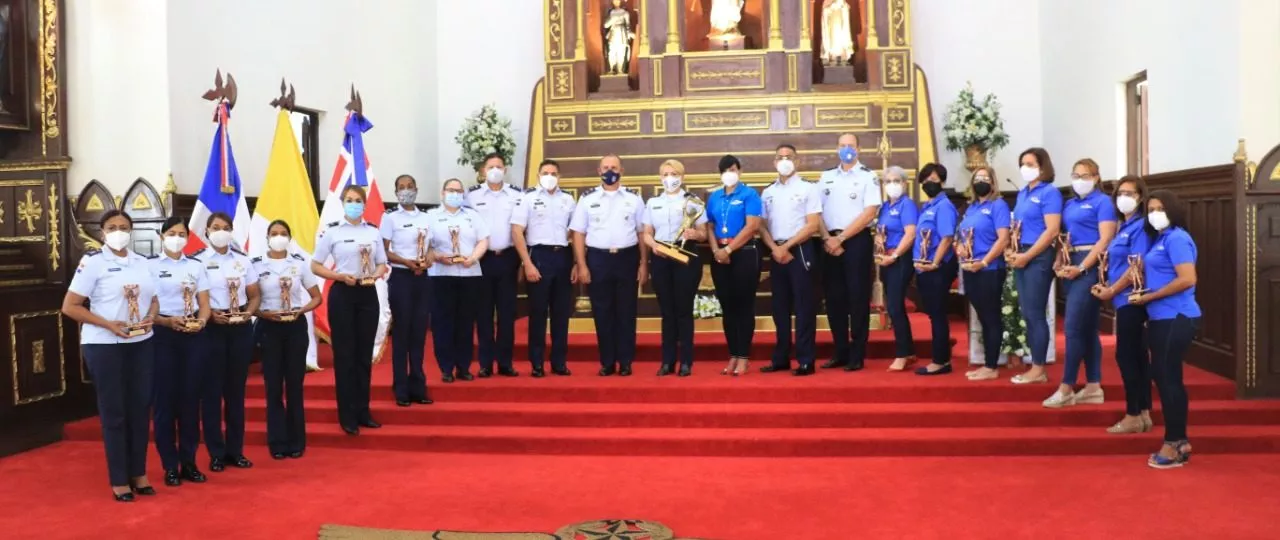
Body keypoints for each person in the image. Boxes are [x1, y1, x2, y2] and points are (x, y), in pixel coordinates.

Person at [62, 209, 159, 501]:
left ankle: (138, 473)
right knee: (115, 412)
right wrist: (107, 324)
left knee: (140, 409)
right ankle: (119, 479)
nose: (119, 231)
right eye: (113, 226)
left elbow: (153, 299)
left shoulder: (142, 262)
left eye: (124, 227)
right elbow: (71, 306)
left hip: (141, 342)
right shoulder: (92, 262)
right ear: (102, 232)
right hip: (105, 345)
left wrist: (151, 317)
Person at [1129, 190, 1200, 468]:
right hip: (1161, 318)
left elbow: (1187, 279)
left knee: (1167, 377)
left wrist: (1149, 297)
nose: (1154, 213)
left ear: (1172, 210)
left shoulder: (1178, 238)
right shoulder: (1161, 239)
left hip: (1176, 316)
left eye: (1160, 208)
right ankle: (1179, 440)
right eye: (1150, 208)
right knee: (1166, 377)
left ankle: (1174, 443)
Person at [311, 185, 388, 436]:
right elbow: (315, 265)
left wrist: (375, 276)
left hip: (367, 294)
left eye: (358, 200)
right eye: (350, 200)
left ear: (365, 204)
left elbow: (381, 264)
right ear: (343, 203)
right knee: (345, 356)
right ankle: (347, 415)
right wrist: (338, 276)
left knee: (363, 356)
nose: (354, 204)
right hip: (343, 294)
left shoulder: (373, 232)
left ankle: (363, 411)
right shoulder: (332, 233)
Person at [1043, 159, 1116, 407]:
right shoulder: (1070, 203)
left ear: (1096, 178)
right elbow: (1064, 236)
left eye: (1085, 175)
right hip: (1070, 262)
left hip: (1090, 266)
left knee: (1072, 328)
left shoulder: (1103, 202)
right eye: (1076, 175)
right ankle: (1094, 386)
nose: (1080, 180)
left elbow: (1105, 239)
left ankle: (1066, 387)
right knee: (1087, 329)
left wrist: (1083, 266)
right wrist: (1059, 258)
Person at [570, 154, 648, 377]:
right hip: (598, 259)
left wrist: (644, 263)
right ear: (599, 171)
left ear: (622, 170)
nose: (610, 170)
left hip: (627, 258)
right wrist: (582, 264)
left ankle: (625, 361)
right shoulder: (587, 199)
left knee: (626, 311)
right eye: (606, 167)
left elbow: (642, 233)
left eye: (614, 167)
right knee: (602, 312)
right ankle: (606, 361)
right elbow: (578, 234)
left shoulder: (634, 199)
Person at [252, 220, 323, 459]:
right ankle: (277, 441)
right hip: (269, 327)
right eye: (274, 233)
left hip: (294, 326)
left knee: (294, 385)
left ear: (290, 238)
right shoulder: (256, 266)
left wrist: (301, 311)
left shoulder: (300, 265)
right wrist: (262, 313)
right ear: (267, 237)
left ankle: (296, 440)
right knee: (273, 386)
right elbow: (250, 301)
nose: (279, 237)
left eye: (283, 234)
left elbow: (316, 297)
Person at [148, 217, 210, 487]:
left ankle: (189, 461)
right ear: (162, 236)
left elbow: (204, 303)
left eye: (181, 233)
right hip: (162, 334)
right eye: (171, 233)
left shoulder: (196, 266)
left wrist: (202, 321)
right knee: (165, 402)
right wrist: (164, 321)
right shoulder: (149, 266)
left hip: (192, 334)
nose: (177, 238)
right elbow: (145, 305)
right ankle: (169, 465)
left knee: (190, 400)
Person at [196, 212, 260, 470]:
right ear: (207, 231)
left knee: (236, 393)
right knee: (211, 394)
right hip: (212, 329)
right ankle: (216, 452)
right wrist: (211, 315)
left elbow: (255, 294)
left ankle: (236, 450)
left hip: (240, 329)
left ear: (232, 231)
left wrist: (247, 313)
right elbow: (194, 297)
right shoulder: (197, 262)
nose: (221, 232)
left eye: (225, 227)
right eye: (215, 227)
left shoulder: (243, 261)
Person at [1091, 175, 1153, 433]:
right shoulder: (1122, 226)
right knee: (1137, 356)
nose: (1124, 198)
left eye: (1130, 193)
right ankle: (1144, 412)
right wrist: (1106, 285)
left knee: (1127, 355)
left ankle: (1132, 414)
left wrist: (1113, 290)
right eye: (1120, 193)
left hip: (1132, 298)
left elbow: (1136, 265)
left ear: (1141, 197)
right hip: (1121, 297)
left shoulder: (1140, 226)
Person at [817, 133, 881, 372]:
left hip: (855, 241)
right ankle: (840, 351)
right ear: (837, 149)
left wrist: (842, 238)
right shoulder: (826, 177)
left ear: (859, 149)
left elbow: (870, 212)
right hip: (829, 241)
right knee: (834, 299)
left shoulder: (868, 176)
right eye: (843, 146)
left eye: (851, 146)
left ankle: (857, 353)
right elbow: (816, 211)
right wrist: (827, 238)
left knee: (857, 297)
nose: (846, 150)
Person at [642, 159, 709, 376]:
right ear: (660, 177)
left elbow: (704, 233)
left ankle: (687, 361)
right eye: (666, 174)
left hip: (686, 256)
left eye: (674, 174)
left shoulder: (693, 202)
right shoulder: (653, 203)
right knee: (667, 311)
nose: (670, 178)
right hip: (661, 256)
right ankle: (667, 361)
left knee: (683, 310)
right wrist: (653, 246)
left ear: (682, 176)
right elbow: (646, 233)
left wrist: (695, 234)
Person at [760, 143, 821, 376]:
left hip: (800, 249)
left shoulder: (808, 188)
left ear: (797, 161)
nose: (784, 160)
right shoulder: (768, 192)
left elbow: (813, 224)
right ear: (774, 162)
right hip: (776, 252)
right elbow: (762, 226)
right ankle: (781, 357)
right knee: (780, 307)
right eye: (780, 157)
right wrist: (775, 248)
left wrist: (786, 246)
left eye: (789, 157)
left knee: (804, 306)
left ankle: (805, 359)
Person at [512, 159, 576, 377]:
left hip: (563, 256)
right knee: (538, 313)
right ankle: (537, 362)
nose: (550, 176)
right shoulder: (527, 198)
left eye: (554, 172)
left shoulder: (568, 199)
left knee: (561, 314)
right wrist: (526, 263)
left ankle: (559, 362)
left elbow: (575, 232)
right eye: (545, 172)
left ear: (559, 176)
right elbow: (517, 231)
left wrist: (576, 262)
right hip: (538, 257)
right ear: (538, 175)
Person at [1008, 147, 1062, 384]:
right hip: (1021, 253)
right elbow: (1017, 225)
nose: (1025, 168)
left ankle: (1038, 367)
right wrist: (1011, 249)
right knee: (1028, 313)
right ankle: (1035, 364)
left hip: (1038, 256)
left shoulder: (1049, 193)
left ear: (1043, 166)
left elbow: (1052, 230)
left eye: (1030, 163)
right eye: (1023, 163)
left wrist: (1028, 255)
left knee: (1035, 313)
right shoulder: (1022, 193)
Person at [427, 178, 490, 382]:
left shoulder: (472, 215)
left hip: (470, 275)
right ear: (442, 193)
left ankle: (463, 367)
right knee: (443, 323)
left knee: (465, 322)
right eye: (450, 190)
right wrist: (436, 256)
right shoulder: (431, 217)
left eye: (458, 190)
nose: (454, 194)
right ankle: (446, 367)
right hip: (441, 276)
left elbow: (483, 240)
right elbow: (423, 245)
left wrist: (473, 258)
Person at [705, 155, 764, 376]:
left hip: (745, 253)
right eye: (725, 170)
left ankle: (744, 357)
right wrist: (716, 251)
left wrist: (729, 250)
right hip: (720, 255)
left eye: (733, 169)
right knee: (727, 307)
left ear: (739, 170)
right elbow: (710, 225)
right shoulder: (715, 197)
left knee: (744, 306)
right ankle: (732, 354)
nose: (729, 173)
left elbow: (752, 227)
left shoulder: (749, 194)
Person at [469, 153, 524, 378]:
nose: (495, 170)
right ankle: (485, 363)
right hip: (482, 260)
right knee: (483, 314)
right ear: (483, 171)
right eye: (491, 167)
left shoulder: (516, 195)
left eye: (499, 166)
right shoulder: (470, 196)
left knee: (506, 314)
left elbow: (522, 228)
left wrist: (522, 261)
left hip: (508, 258)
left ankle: (505, 362)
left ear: (505, 169)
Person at [381, 174, 434, 406]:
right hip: (401, 277)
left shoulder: (426, 218)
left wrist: (427, 261)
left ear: (416, 189)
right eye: (401, 187)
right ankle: (400, 387)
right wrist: (406, 262)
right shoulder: (390, 218)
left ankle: (418, 385)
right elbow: (383, 251)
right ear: (395, 193)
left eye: (409, 187)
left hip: (422, 278)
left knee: (419, 332)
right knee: (402, 333)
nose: (406, 191)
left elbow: (431, 247)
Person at [959, 167, 1011, 381]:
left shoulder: (998, 205)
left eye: (985, 178)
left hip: (989, 269)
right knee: (982, 316)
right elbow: (962, 235)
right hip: (970, 268)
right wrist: (959, 247)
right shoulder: (971, 208)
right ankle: (988, 363)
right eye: (977, 178)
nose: (981, 181)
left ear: (993, 181)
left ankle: (991, 365)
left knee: (990, 317)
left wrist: (985, 261)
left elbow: (1003, 239)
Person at [912, 163, 959, 376]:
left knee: (938, 314)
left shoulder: (944, 206)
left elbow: (947, 237)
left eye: (935, 180)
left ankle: (940, 360)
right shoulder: (927, 206)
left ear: (942, 181)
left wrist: (935, 262)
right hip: (925, 267)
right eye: (926, 180)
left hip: (938, 267)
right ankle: (940, 358)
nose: (930, 184)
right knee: (933, 313)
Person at [875, 166, 919, 371]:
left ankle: (902, 353)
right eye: (888, 181)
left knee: (895, 306)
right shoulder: (884, 207)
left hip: (900, 259)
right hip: (886, 259)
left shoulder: (906, 205)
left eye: (896, 181)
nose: (892, 185)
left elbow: (910, 234)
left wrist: (894, 255)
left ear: (904, 183)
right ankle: (908, 351)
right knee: (894, 307)